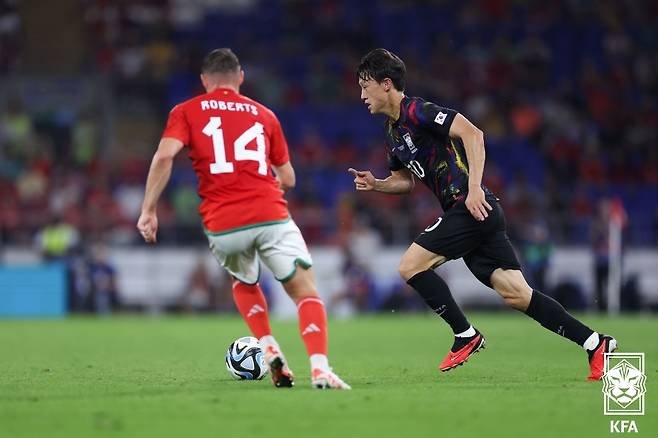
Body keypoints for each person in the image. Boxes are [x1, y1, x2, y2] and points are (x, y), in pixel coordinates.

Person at [349, 48, 616, 380]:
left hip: (469, 205)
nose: (361, 95)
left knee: (410, 266)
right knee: (517, 293)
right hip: (476, 214)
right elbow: (405, 182)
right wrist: (378, 184)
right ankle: (595, 343)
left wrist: (474, 187)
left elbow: (473, 134)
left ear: (386, 84)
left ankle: (465, 334)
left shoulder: (417, 111)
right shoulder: (392, 132)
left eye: (365, 85)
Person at [137, 48, 350, 390]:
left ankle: (269, 348)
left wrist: (148, 209)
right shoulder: (265, 115)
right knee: (304, 292)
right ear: (241, 78)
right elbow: (290, 178)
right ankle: (320, 369)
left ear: (205, 81)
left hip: (222, 223)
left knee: (244, 282)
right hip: (269, 213)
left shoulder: (185, 111)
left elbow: (164, 157)